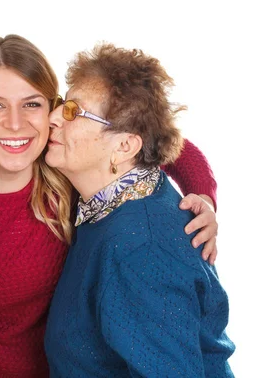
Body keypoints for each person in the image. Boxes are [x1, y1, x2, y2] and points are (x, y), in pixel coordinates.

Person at [0, 35, 221, 377]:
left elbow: (156, 140)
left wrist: (202, 197)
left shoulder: (65, 172)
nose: (15, 123)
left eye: (32, 104)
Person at [44, 43, 235, 377]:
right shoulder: (110, 205)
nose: (52, 118)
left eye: (74, 111)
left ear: (124, 146)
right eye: (62, 104)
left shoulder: (139, 249)